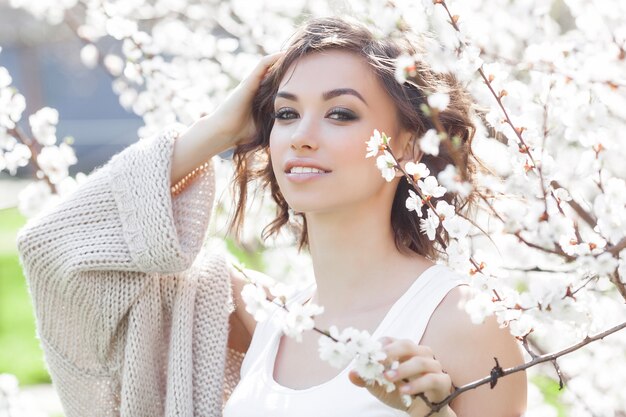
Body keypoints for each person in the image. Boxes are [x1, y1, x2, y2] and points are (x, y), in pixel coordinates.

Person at [16, 16, 526, 417]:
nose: (302, 135)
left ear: (409, 146)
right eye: (285, 114)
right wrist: (216, 130)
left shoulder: (464, 320)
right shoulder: (260, 316)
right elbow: (52, 247)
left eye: (340, 113)